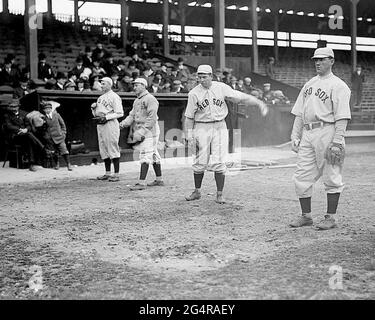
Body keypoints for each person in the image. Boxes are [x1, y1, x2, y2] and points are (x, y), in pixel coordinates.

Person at [184, 64, 268, 204]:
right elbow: (189, 117)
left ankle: (219, 194)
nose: (201, 80)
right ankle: (197, 191)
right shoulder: (193, 93)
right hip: (201, 126)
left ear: (211, 76)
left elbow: (240, 97)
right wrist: (189, 135)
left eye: (204, 77)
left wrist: (258, 102)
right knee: (200, 161)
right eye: (199, 77)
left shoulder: (221, 87)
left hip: (219, 125)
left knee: (218, 161)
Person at [289, 47, 351, 230]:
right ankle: (306, 216)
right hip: (308, 132)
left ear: (331, 61)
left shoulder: (339, 85)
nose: (317, 62)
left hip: (328, 131)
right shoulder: (309, 84)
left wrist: (337, 141)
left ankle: (330, 217)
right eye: (316, 60)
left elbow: (342, 116)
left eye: (322, 60)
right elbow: (299, 113)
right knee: (301, 175)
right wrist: (295, 135)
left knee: (331, 175)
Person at [119, 78, 164, 190]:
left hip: (150, 129)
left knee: (145, 154)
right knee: (153, 154)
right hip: (142, 128)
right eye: (134, 86)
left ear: (143, 86)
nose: (134, 87)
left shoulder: (150, 99)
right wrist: (123, 124)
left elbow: (152, 118)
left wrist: (143, 131)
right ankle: (159, 180)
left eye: (136, 85)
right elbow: (132, 116)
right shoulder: (137, 100)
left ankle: (141, 183)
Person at [91, 77, 124, 182]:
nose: (101, 85)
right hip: (100, 124)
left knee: (112, 148)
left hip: (110, 123)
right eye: (101, 83)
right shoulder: (100, 97)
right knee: (103, 148)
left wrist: (107, 117)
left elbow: (120, 113)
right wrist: (93, 109)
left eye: (104, 83)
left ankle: (116, 174)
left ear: (110, 84)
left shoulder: (115, 96)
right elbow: (97, 114)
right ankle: (107, 173)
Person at [2, 99, 48, 171]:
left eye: (15, 107)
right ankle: (42, 148)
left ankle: (32, 164)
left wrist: (26, 129)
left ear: (18, 107)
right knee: (29, 136)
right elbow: (9, 126)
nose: (13, 108)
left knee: (29, 140)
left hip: (25, 136)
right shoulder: (7, 115)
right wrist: (21, 130)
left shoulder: (24, 114)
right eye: (12, 107)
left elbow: (29, 125)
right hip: (15, 137)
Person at [40, 101, 72, 171]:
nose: (47, 110)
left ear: (51, 109)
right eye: (46, 109)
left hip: (59, 137)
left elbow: (63, 125)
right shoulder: (44, 118)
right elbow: (43, 129)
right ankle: (57, 164)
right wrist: (46, 136)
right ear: (44, 110)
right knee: (54, 152)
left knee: (64, 151)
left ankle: (68, 164)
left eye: (49, 109)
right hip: (51, 138)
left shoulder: (57, 115)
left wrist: (63, 133)